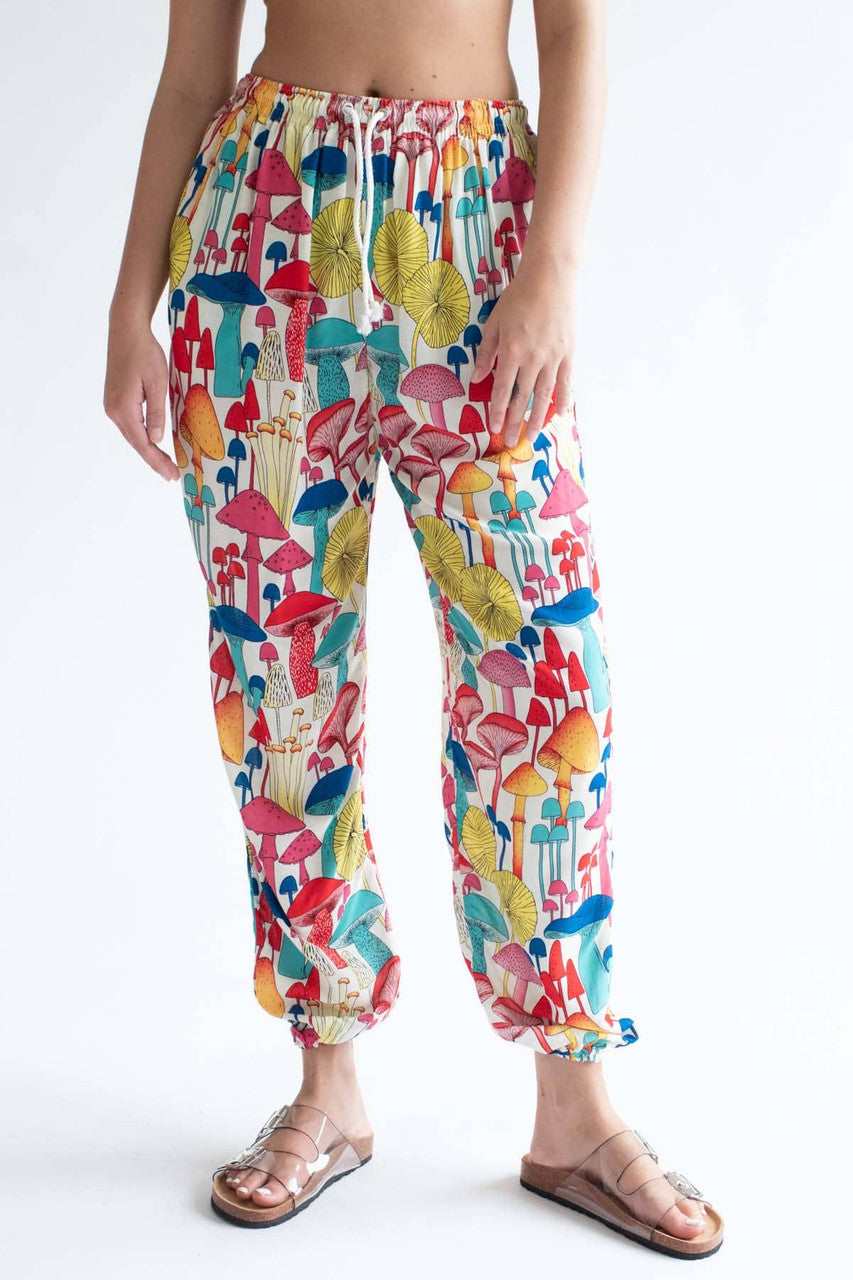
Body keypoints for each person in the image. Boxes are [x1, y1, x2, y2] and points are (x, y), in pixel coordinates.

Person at [104, 0, 723, 1257]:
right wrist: (131, 303)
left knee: (545, 671)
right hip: (263, 223)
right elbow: (188, 74)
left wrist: (552, 267)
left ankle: (573, 1108)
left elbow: (574, 36)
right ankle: (326, 1082)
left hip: (475, 227)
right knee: (281, 674)